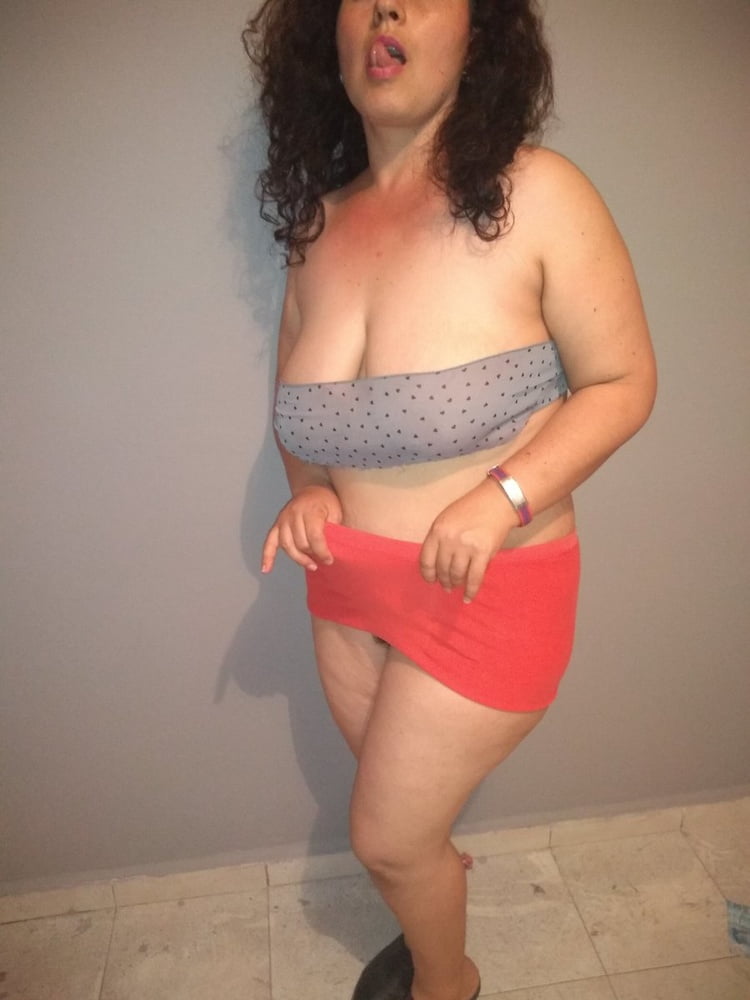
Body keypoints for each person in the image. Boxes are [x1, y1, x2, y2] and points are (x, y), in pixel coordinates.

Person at [245, 1, 656, 998]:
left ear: (480, 37)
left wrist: (503, 494)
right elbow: (297, 415)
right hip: (346, 591)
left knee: (386, 839)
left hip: (487, 589)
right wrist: (307, 493)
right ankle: (435, 902)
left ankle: (448, 984)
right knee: (411, 828)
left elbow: (623, 382)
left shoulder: (539, 193)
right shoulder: (315, 233)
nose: (386, 6)